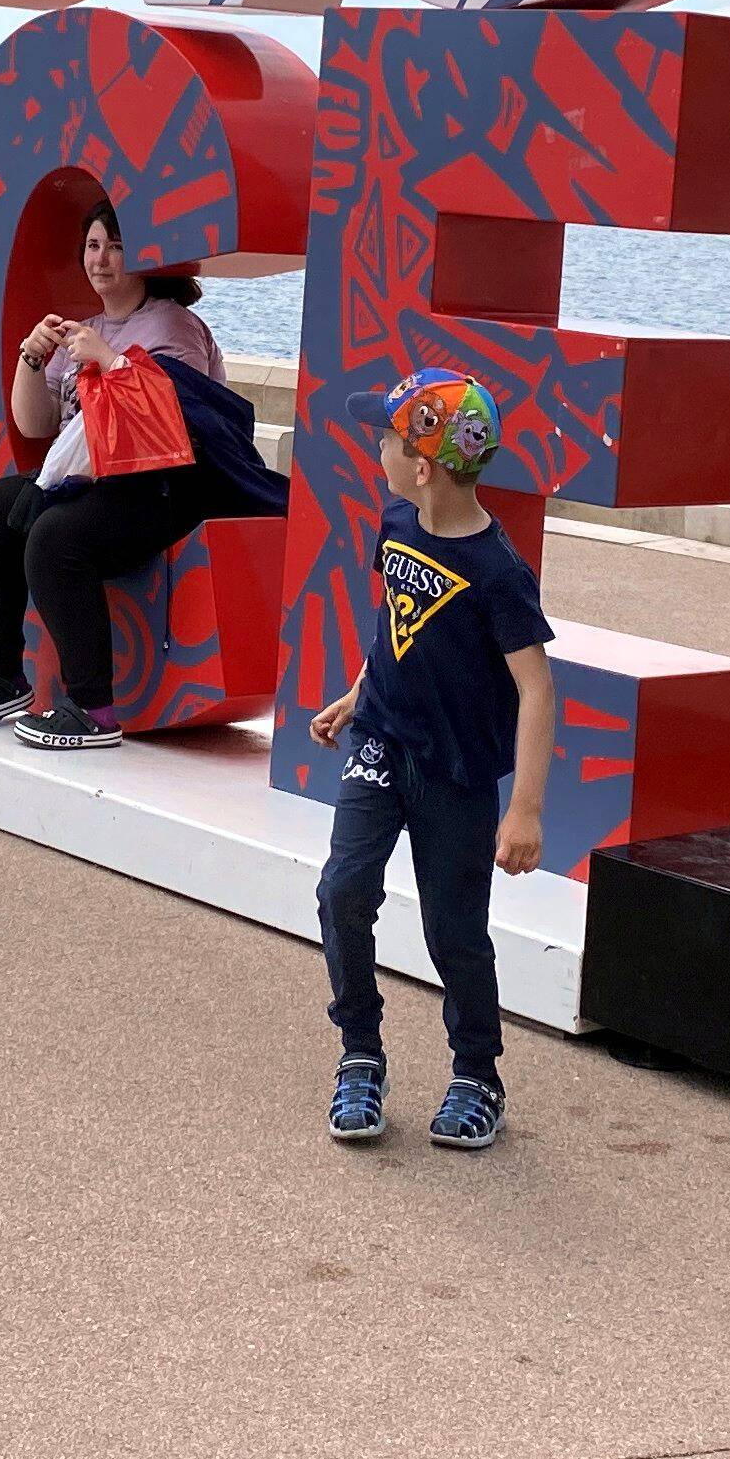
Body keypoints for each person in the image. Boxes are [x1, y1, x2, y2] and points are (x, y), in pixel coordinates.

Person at [304, 371, 558, 1156]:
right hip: (380, 740)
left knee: (455, 932)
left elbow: (538, 690)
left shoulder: (499, 574)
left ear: (423, 464)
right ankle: (360, 1054)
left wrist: (525, 811)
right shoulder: (396, 522)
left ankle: (478, 1073)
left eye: (385, 438)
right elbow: (396, 626)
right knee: (343, 891)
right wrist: (357, 693)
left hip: (456, 773)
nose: (374, 447)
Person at [0, 196, 284, 751]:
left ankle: (92, 709)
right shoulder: (83, 328)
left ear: (147, 257)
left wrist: (109, 359)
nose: (101, 259)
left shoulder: (173, 326)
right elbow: (35, 425)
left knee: (55, 539)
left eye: (116, 246)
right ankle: (2, 674)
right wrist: (31, 359)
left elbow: (170, 424)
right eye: (93, 245)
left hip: (165, 485)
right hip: (93, 480)